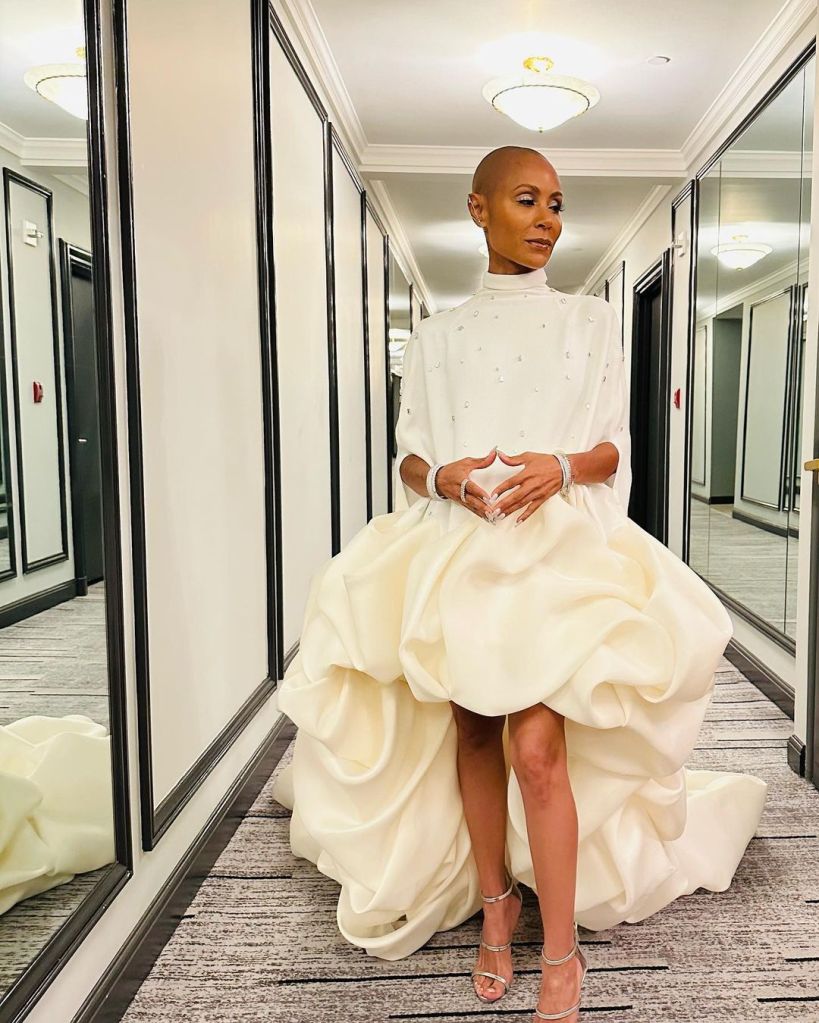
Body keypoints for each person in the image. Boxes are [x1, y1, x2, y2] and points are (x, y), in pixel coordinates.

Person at [272, 146, 768, 1023]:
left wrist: (560, 464)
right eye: (527, 200)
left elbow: (613, 448)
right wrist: (443, 476)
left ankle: (562, 950)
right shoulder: (437, 337)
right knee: (471, 730)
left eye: (556, 204)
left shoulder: (592, 321)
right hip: (460, 551)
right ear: (479, 208)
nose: (546, 220)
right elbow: (410, 455)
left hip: (553, 557)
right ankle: (497, 905)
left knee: (536, 746)